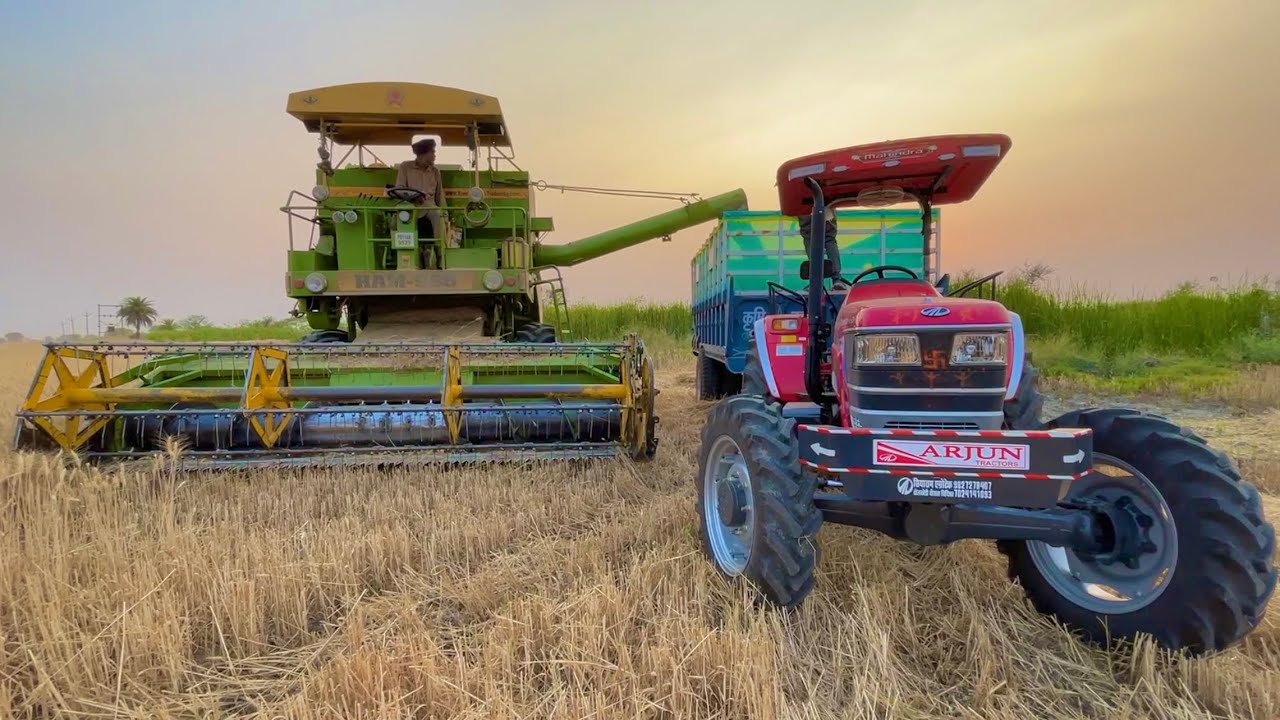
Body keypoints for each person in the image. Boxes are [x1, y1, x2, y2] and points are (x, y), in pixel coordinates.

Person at [395, 138, 445, 240]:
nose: (435, 156)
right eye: (432, 152)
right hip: (411, 205)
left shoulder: (435, 172)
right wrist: (412, 197)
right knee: (395, 221)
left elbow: (440, 195)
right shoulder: (405, 167)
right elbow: (399, 188)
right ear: (423, 154)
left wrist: (446, 213)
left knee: (438, 214)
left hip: (430, 206)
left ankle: (439, 249)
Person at [797, 204, 848, 290]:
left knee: (809, 239)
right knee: (829, 239)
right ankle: (837, 279)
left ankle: (815, 281)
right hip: (826, 205)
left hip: (805, 205)